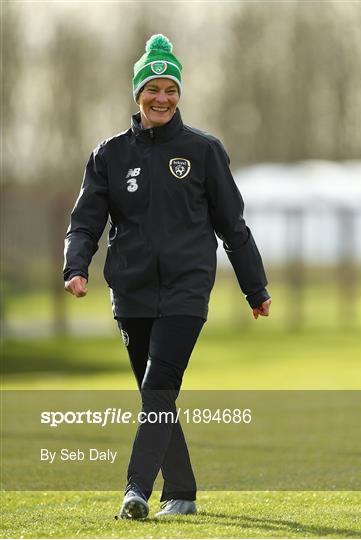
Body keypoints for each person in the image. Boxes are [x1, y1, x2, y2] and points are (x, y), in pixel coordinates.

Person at [63, 34, 271, 519]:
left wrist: (254, 287)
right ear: (137, 93)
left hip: (186, 289)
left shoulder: (204, 151)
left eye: (171, 89)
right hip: (131, 292)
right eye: (153, 89)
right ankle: (182, 492)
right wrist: (76, 266)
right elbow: (85, 220)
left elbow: (233, 227)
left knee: (159, 387)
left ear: (180, 94)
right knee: (157, 396)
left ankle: (135, 489)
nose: (162, 98)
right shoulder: (109, 155)